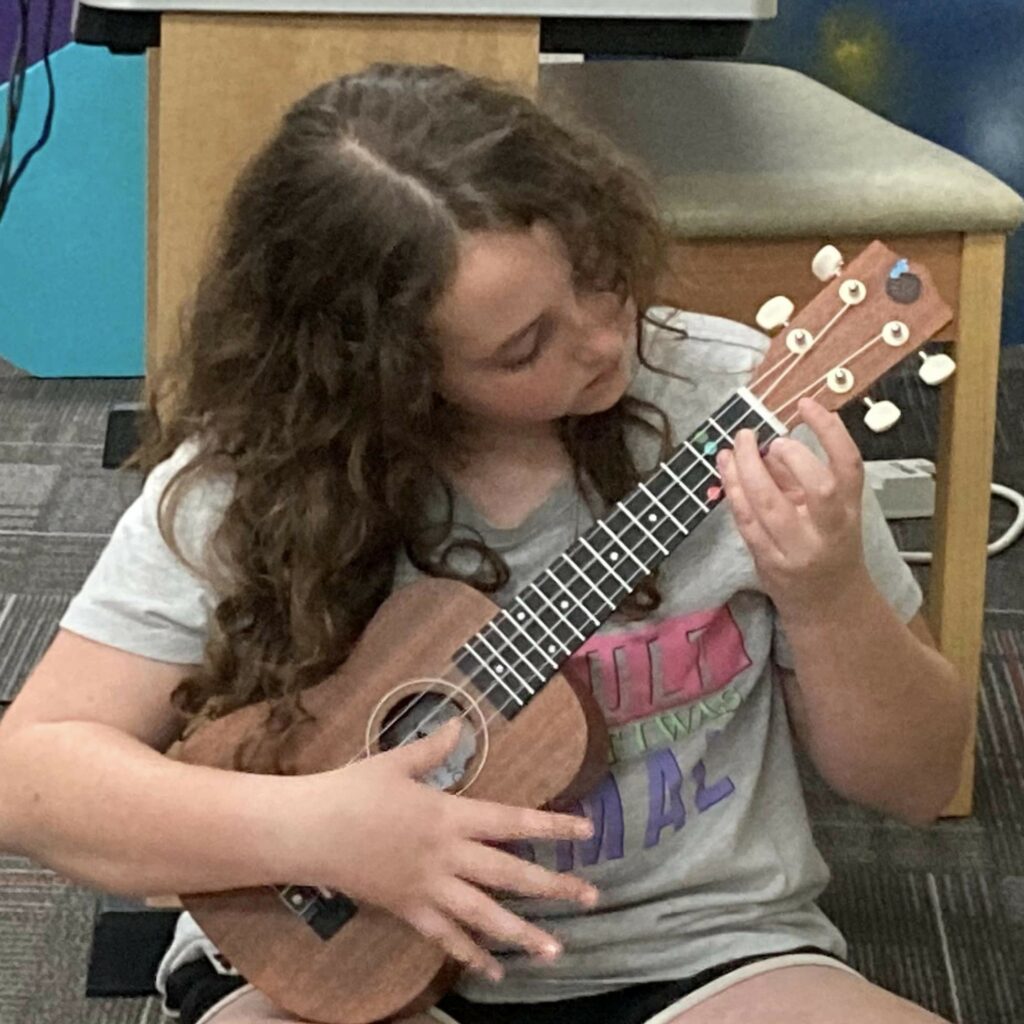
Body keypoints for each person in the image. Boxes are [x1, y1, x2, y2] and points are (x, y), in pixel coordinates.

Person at [0, 63, 970, 1024]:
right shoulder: (255, 480)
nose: (598, 342)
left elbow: (920, 780)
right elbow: (31, 777)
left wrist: (829, 592)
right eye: (521, 348)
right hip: (323, 956)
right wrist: (315, 829)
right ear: (384, 372)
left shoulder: (746, 414)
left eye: (598, 279)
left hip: (700, 954)